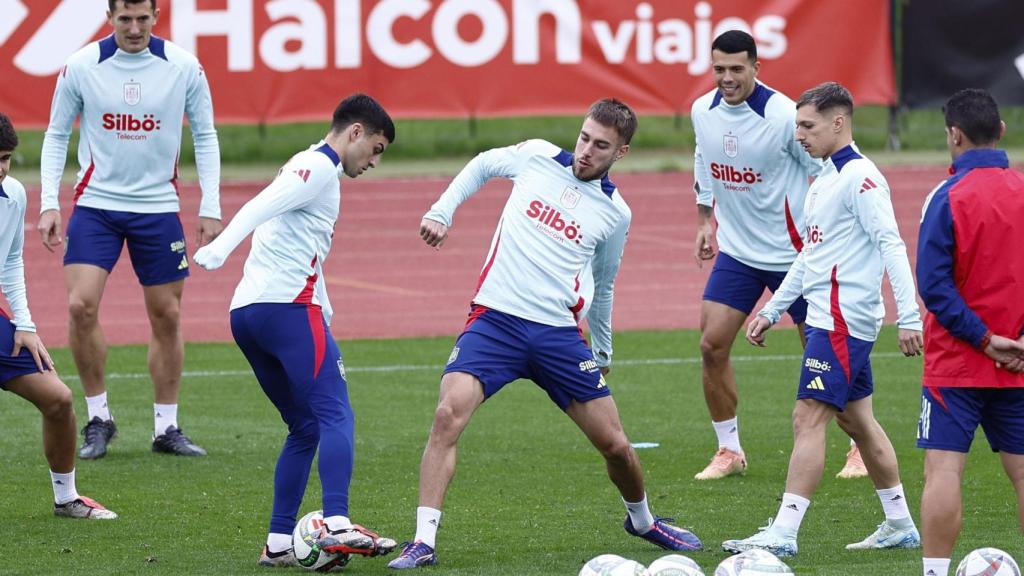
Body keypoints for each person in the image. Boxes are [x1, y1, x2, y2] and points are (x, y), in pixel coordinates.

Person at [386, 98, 702, 571]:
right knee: (447, 415)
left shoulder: (616, 213)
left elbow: (606, 281)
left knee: (616, 446)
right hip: (494, 322)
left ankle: (642, 519)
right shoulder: (535, 156)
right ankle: (423, 541)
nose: (586, 151)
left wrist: (602, 348)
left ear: (622, 152)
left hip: (557, 336)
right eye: (583, 138)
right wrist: (441, 211)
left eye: (601, 146)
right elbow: (481, 164)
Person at [193, 93, 397, 567]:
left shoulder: (305, 165)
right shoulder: (319, 167)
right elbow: (261, 205)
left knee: (304, 426)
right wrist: (221, 247)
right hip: (286, 310)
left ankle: (279, 544)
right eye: (376, 149)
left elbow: (300, 246)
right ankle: (337, 523)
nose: (374, 162)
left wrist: (325, 307)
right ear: (356, 133)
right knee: (336, 413)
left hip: (248, 315)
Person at [722, 82, 924, 557]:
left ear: (839, 122)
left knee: (806, 417)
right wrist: (772, 309)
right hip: (826, 315)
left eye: (808, 126)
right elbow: (812, 255)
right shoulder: (823, 179)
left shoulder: (861, 178)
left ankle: (784, 533)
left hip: (841, 319)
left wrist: (910, 315)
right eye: (796, 126)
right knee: (859, 422)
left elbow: (892, 244)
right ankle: (899, 524)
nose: (799, 136)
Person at [37, 0, 222, 459]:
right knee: (80, 306)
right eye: (125, 19)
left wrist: (211, 205)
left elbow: (205, 134)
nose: (134, 28)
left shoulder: (183, 67)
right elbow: (57, 134)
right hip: (97, 205)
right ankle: (99, 418)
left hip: (158, 207)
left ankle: (167, 427)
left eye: (143, 18)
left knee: (169, 316)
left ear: (157, 16)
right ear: (109, 17)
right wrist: (48, 203)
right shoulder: (81, 66)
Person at [689, 30, 866, 480]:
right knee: (711, 345)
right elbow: (703, 159)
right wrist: (705, 220)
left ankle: (859, 445)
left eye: (736, 69)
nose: (726, 78)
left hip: (797, 254)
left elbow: (832, 164)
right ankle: (729, 450)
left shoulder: (784, 114)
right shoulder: (701, 111)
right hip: (740, 254)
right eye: (719, 69)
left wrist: (840, 227)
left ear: (755, 67)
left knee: (823, 351)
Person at [915, 88, 1024, 576]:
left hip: (957, 362)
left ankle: (935, 572)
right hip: (1019, 360)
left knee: (943, 470)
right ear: (1001, 131)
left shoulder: (946, 196)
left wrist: (982, 340)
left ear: (953, 135)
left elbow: (934, 286)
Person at [0, 113, 117, 520]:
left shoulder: (13, 195)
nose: (1, 168)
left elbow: (11, 261)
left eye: (6, 157)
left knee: (59, 399)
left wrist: (25, 325)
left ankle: (67, 498)